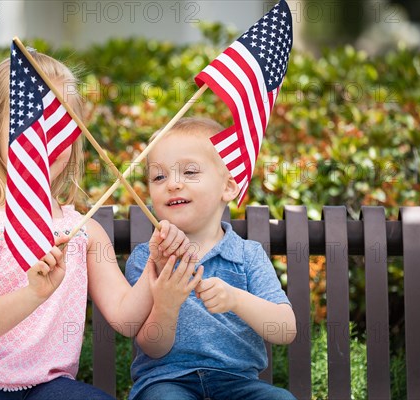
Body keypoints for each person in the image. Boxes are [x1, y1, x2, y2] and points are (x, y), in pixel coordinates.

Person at [0, 52, 191, 400]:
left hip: (48, 385)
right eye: (30, 122)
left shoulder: (84, 230)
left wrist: (157, 267)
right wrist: (34, 294)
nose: (45, 137)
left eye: (60, 123)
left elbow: (126, 317)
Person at [125, 117, 298, 400]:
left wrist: (236, 300)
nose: (172, 184)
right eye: (159, 177)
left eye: (190, 172)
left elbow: (284, 329)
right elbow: (152, 347)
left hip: (238, 384)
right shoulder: (148, 258)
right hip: (168, 382)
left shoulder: (247, 255)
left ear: (228, 188)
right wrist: (166, 305)